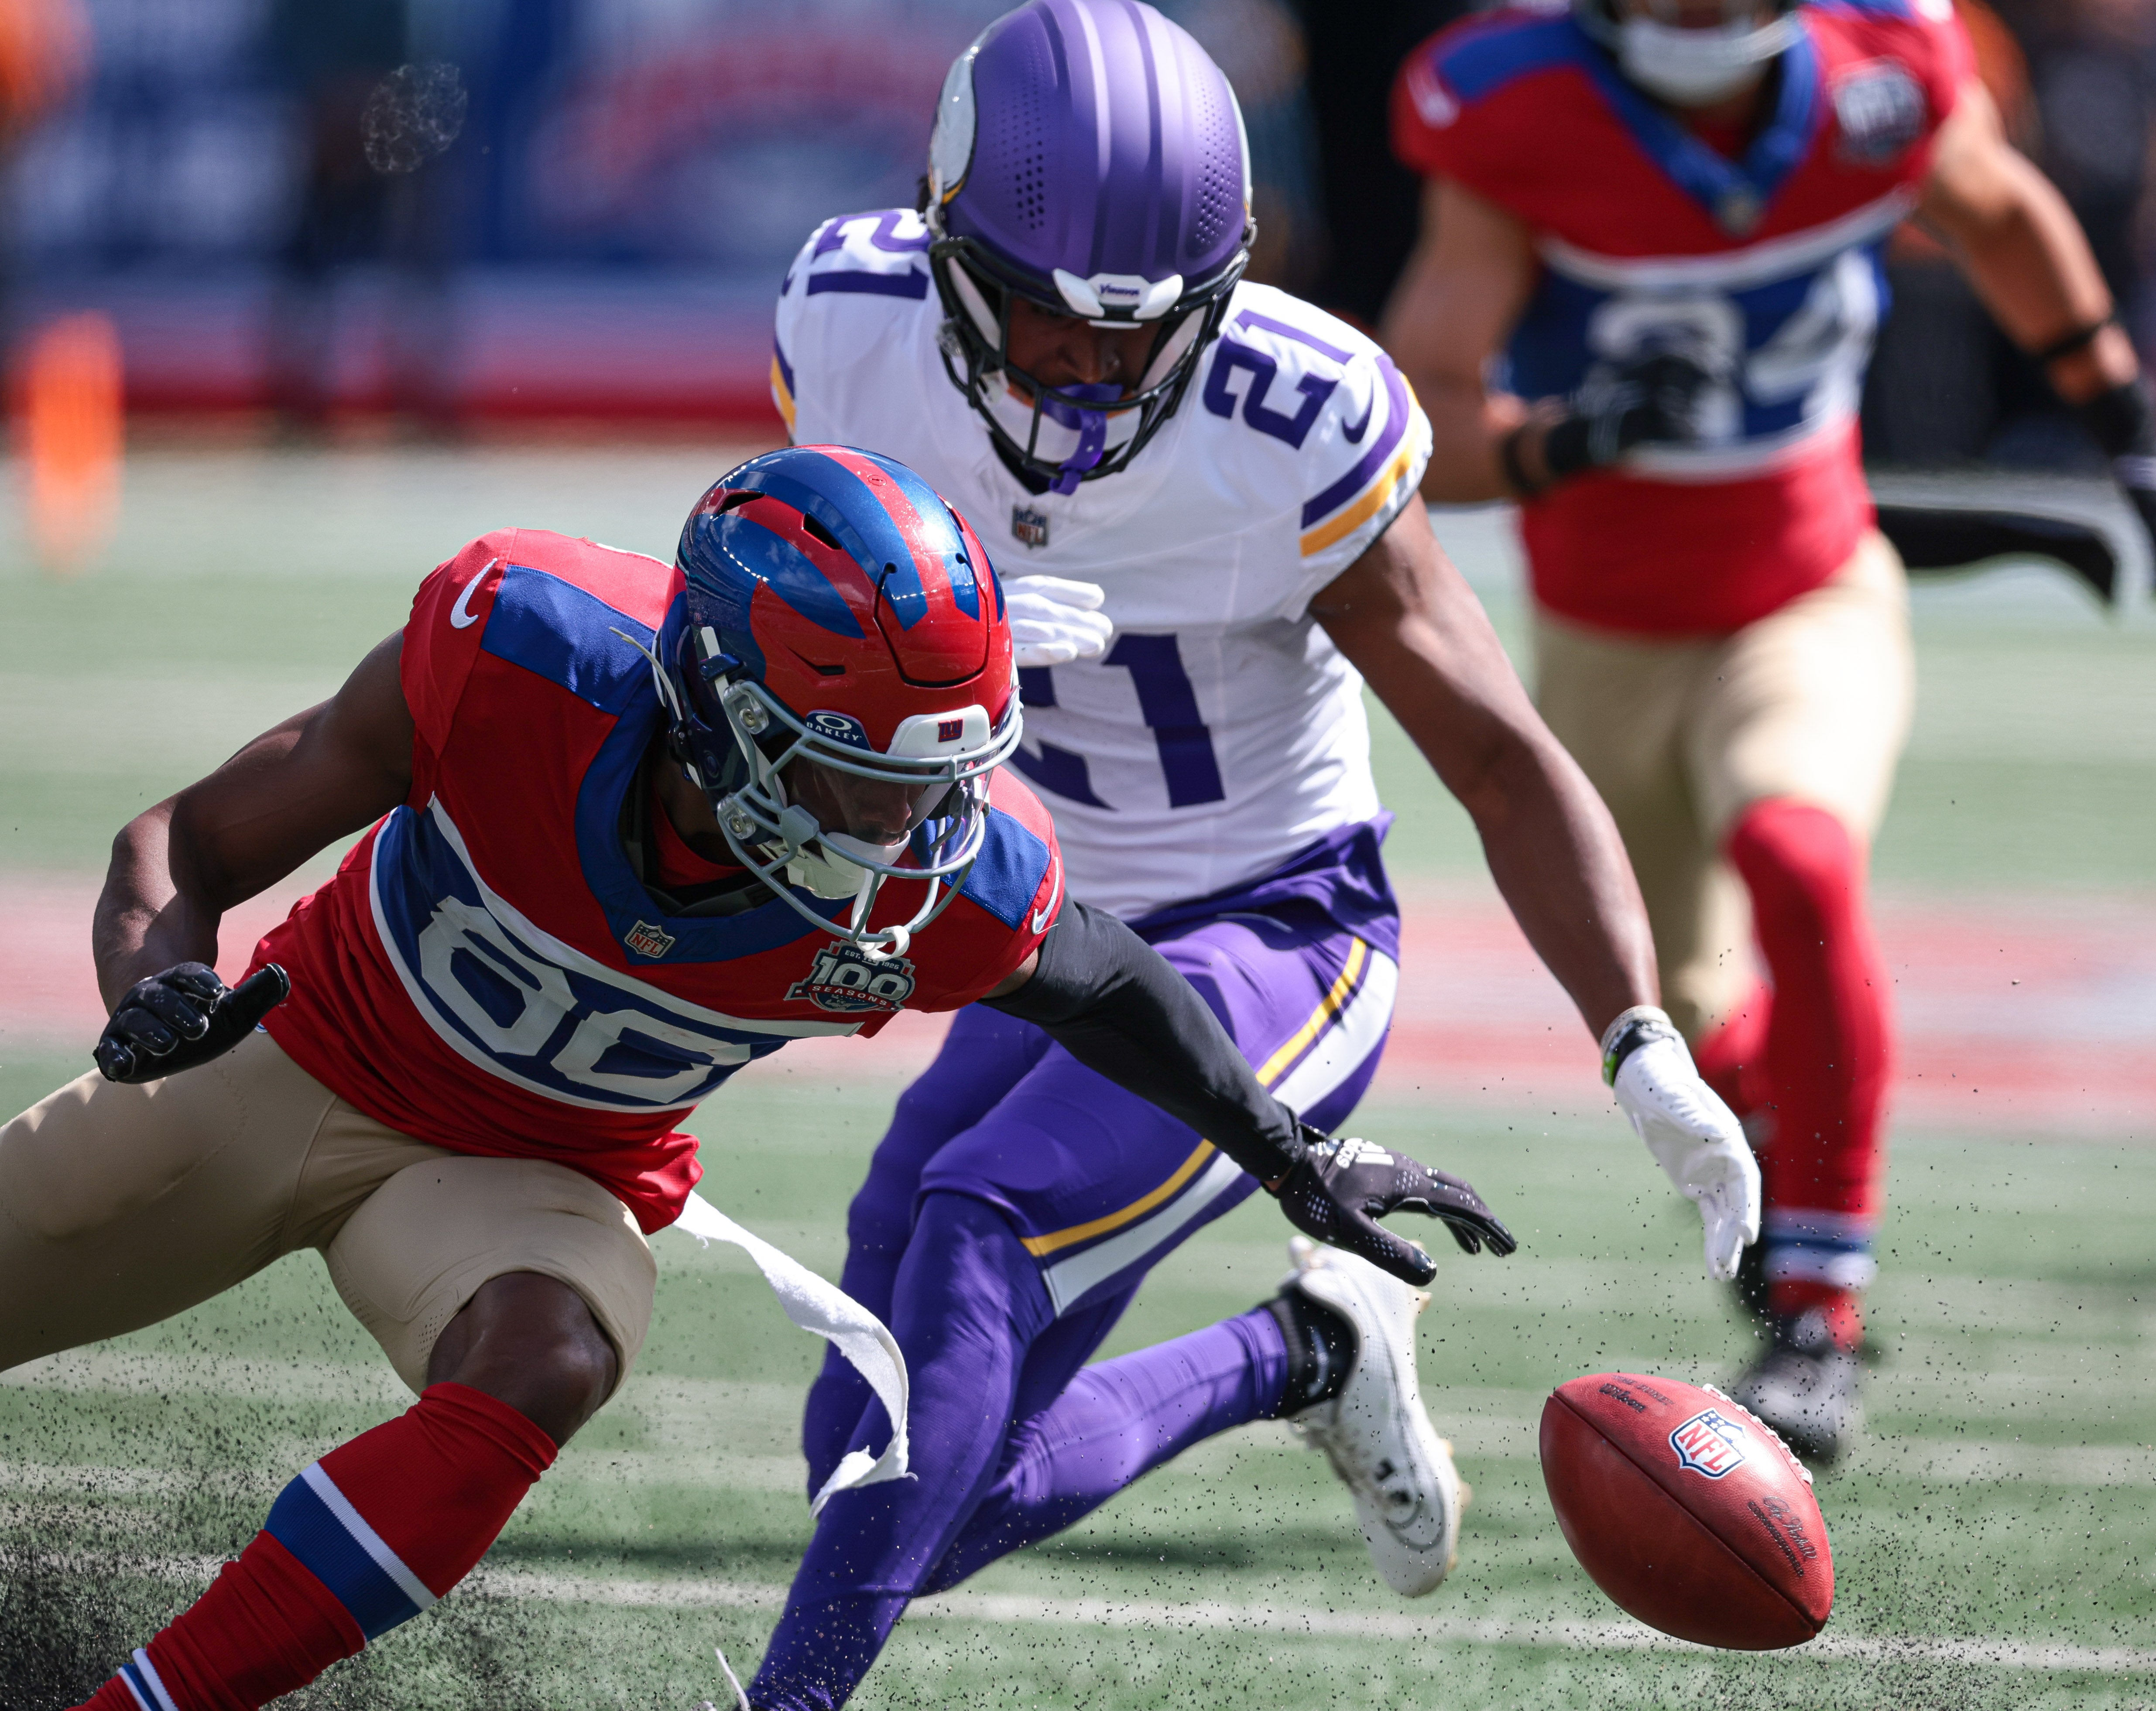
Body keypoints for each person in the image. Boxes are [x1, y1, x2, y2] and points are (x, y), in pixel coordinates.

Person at [2, 443, 1510, 1711]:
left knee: (549, 1355)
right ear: (718, 708)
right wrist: (154, 992)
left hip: (544, 1176)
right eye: (863, 772)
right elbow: (188, 844)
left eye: (941, 774)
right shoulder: (518, 649)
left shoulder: (953, 879)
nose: (910, 828)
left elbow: (1104, 976)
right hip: (296, 1057)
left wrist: (1296, 1153)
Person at [751, 1, 1763, 1702]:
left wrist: (1637, 1039)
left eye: (1135, 337)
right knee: (880, 1463)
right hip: (1044, 936)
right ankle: (1300, 1351)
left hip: (1273, 932)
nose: (1088, 372)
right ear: (944, 248)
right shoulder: (846, 326)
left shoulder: (1292, 420)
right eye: (1048, 323)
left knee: (982, 1233)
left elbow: (1504, 763)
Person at [1381, 0, 2156, 1461]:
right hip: (1603, 636)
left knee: (1797, 849)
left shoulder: (1877, 73)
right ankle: (1787, 1179)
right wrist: (1561, 438)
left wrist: (2127, 417)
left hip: (1807, 589)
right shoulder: (1520, 105)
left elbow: (2001, 213)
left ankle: (1818, 1311)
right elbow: (1418, 414)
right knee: (1690, 1021)